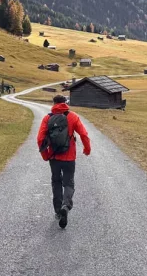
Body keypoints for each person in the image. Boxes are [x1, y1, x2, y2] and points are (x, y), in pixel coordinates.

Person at [37, 94, 91, 229]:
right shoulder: (73, 117)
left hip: (54, 157)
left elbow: (40, 139)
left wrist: (45, 155)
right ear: (65, 103)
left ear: (54, 103)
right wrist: (87, 149)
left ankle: (57, 211)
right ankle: (65, 206)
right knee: (68, 183)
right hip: (69, 157)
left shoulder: (47, 118)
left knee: (56, 182)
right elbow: (84, 134)